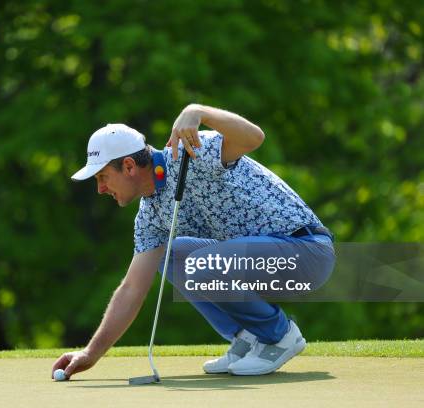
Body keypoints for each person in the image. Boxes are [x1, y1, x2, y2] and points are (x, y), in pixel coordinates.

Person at [51, 104, 335, 378]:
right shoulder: (150, 216)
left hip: (307, 251)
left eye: (103, 177)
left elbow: (254, 137)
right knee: (169, 255)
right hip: (264, 257)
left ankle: (279, 336)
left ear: (128, 166)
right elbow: (131, 290)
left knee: (201, 264)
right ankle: (247, 337)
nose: (100, 189)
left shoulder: (192, 151)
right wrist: (91, 353)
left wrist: (199, 111)